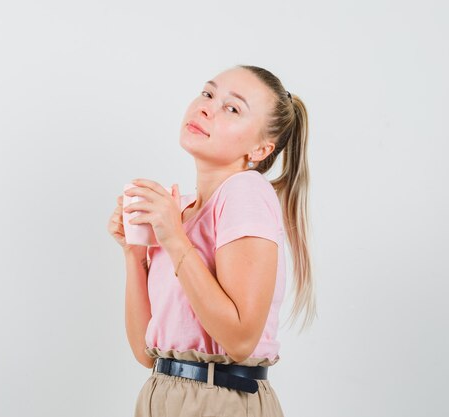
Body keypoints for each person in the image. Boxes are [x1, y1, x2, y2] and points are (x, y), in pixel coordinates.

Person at [107, 64, 317, 417]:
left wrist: (174, 238)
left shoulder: (245, 191)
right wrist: (134, 253)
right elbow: (147, 354)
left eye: (232, 108)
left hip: (219, 398)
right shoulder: (182, 211)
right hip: (161, 395)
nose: (205, 108)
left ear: (261, 149)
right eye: (207, 93)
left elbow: (239, 340)